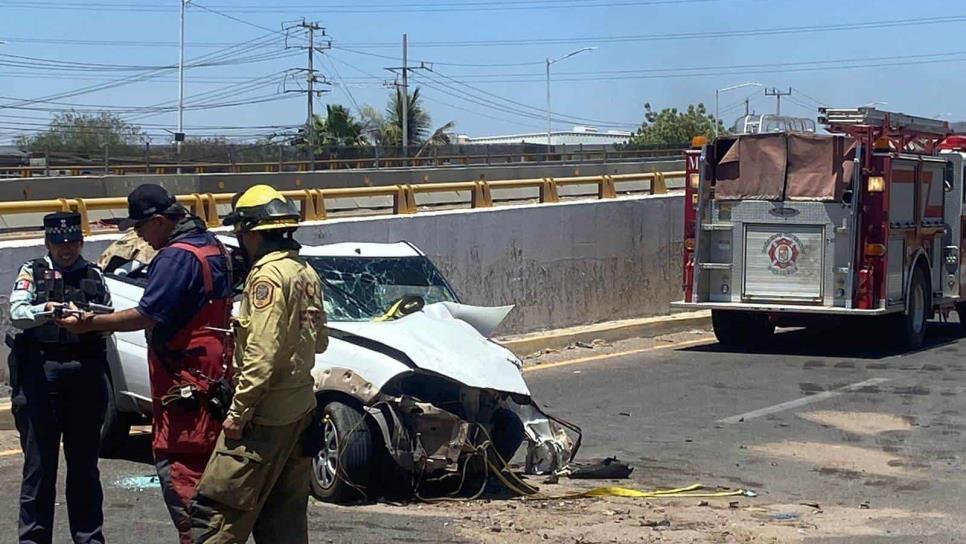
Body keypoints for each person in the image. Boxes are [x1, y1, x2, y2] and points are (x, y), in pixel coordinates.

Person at [57, 184, 233, 544]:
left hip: (184, 387)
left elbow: (147, 314)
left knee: (183, 478)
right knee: (214, 482)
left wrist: (90, 322)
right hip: (214, 382)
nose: (137, 236)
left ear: (158, 221)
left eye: (139, 227)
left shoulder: (175, 256)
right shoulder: (214, 247)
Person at [190, 185, 327, 544]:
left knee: (219, 514)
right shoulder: (304, 272)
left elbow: (261, 357)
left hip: (262, 419)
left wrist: (238, 413)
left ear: (251, 232)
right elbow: (321, 340)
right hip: (299, 411)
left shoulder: (266, 277)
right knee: (284, 518)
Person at [7, 212, 111, 544]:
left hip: (84, 376)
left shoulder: (93, 273)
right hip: (41, 375)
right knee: (39, 469)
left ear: (81, 242)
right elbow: (17, 312)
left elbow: (109, 317)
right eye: (59, 244)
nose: (66, 250)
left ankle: (89, 537)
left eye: (72, 243)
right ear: (48, 243)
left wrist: (88, 318)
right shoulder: (32, 271)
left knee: (84, 468)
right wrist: (46, 311)